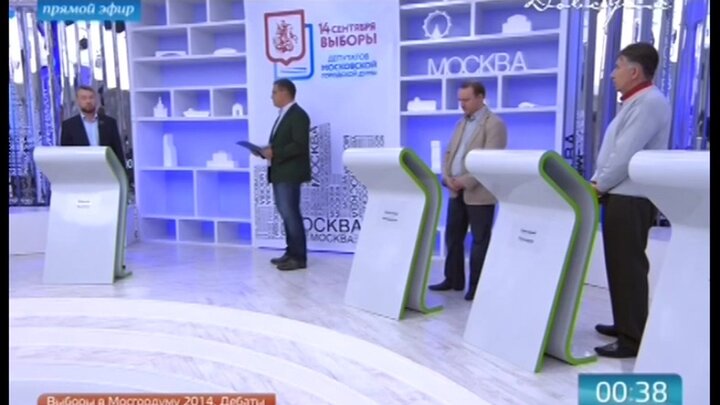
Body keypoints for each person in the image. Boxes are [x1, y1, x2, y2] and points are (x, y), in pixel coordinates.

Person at [591, 42, 671, 358]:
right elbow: (615, 151)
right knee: (620, 265)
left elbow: (625, 154)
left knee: (629, 267)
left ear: (634, 71)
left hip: (630, 197)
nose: (612, 74)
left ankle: (632, 338)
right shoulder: (637, 102)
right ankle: (625, 323)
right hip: (619, 194)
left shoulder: (649, 103)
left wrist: (599, 184)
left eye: (617, 66)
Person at [429, 81, 507, 301]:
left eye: (466, 99)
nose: (462, 104)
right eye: (460, 100)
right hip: (455, 191)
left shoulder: (495, 124)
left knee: (479, 240)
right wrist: (447, 177)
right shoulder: (461, 123)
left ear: (481, 97)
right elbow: (449, 153)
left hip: (480, 193)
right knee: (453, 237)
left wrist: (464, 181)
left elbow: (491, 161)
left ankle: (476, 287)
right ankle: (453, 279)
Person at [260, 79, 311, 271]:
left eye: (274, 92)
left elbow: (299, 145)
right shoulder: (284, 115)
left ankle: (298, 258)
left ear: (284, 92)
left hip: (290, 174)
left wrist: (275, 152)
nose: (271, 96)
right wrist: (266, 151)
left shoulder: (298, 115)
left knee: (291, 214)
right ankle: (290, 252)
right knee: (286, 214)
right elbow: (282, 143)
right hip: (280, 172)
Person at [60, 85, 125, 167]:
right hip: (81, 170)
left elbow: (118, 153)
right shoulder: (69, 126)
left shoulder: (109, 123)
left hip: (106, 170)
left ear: (96, 100)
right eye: (84, 98)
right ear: (77, 101)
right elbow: (65, 156)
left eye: (91, 97)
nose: (88, 101)